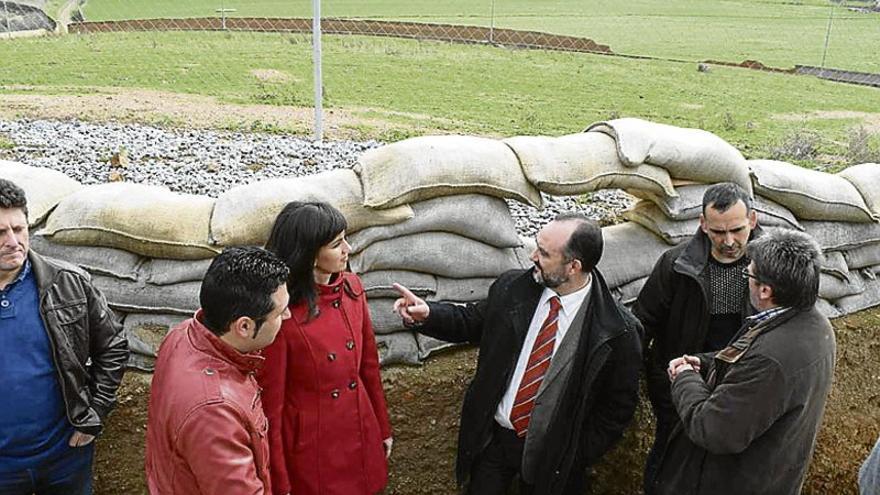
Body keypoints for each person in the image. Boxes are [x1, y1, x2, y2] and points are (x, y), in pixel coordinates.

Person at [393, 212, 642, 495]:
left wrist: (575, 454)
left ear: (573, 266)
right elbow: (471, 321)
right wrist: (427, 314)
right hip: (494, 443)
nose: (533, 256)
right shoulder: (514, 288)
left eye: (545, 253)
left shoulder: (618, 331)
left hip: (553, 460)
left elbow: (616, 410)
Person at [655, 228, 835, 495]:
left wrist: (684, 376)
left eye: (748, 274)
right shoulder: (813, 324)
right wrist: (705, 363)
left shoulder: (772, 359)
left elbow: (713, 429)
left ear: (765, 290)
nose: (746, 279)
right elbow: (745, 361)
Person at [0, 178, 128, 495]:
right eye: (0, 233)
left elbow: (112, 346)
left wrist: (95, 413)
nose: (13, 241)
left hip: (64, 457)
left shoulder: (68, 284)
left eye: (19, 229)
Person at [633, 182, 760, 491]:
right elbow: (642, 323)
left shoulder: (769, 266)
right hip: (681, 383)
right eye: (717, 232)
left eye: (737, 230)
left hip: (739, 384)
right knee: (670, 464)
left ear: (753, 220)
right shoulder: (677, 265)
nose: (728, 241)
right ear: (703, 224)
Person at [258, 201, 392, 495]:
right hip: (314, 451)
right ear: (309, 254)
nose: (349, 249)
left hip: (360, 433)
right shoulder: (283, 316)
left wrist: (382, 428)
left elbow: (369, 368)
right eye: (336, 244)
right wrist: (279, 481)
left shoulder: (353, 290)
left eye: (345, 239)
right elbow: (273, 408)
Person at [145, 246, 292, 494]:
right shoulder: (215, 412)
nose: (287, 315)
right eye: (279, 312)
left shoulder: (184, 333)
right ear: (244, 326)